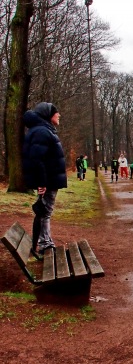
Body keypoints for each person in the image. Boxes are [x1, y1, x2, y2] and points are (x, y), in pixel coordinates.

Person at [22, 102, 67, 258]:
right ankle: (45, 244)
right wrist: (42, 182)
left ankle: (45, 242)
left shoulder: (43, 130)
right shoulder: (42, 131)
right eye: (56, 112)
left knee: (45, 211)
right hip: (48, 181)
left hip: (49, 180)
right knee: (45, 212)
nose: (59, 114)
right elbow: (37, 159)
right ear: (48, 115)